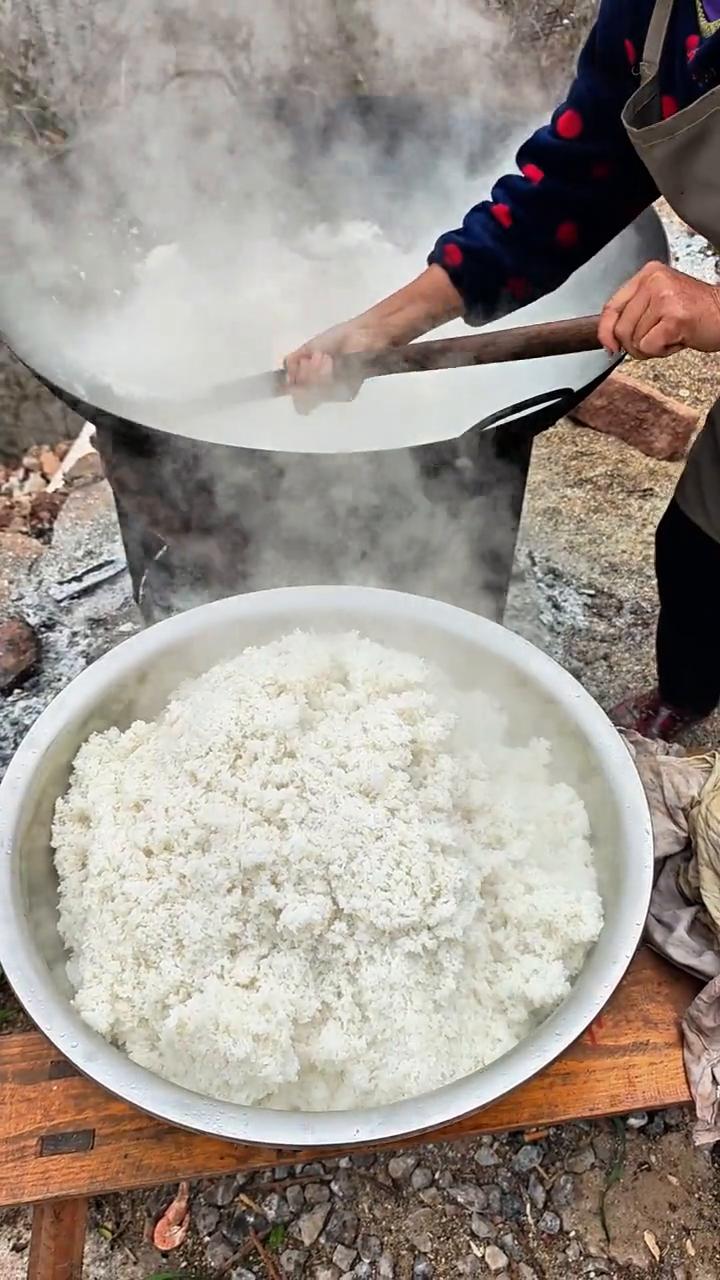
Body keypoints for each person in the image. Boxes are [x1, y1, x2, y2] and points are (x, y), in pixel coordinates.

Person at [285, 0, 720, 742]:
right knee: (702, 548)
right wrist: (378, 330)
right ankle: (687, 699)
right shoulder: (656, 19)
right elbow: (563, 191)